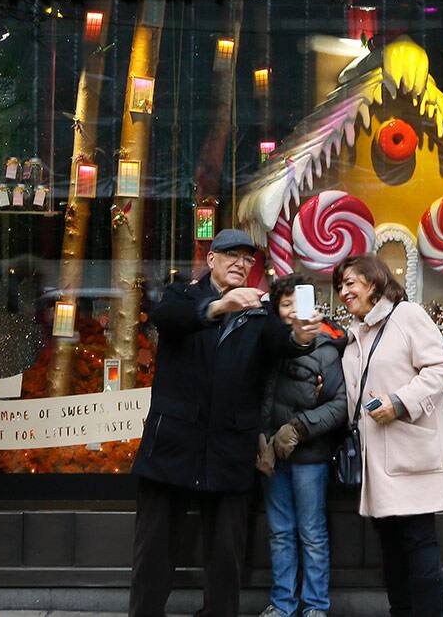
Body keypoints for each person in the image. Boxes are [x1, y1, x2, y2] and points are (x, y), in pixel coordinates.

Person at [129, 229, 323, 617]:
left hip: (230, 447)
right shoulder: (182, 295)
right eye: (231, 254)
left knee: (225, 558)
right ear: (211, 259)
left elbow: (281, 344)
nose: (240, 263)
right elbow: (169, 319)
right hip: (173, 444)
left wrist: (301, 337)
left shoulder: (260, 312)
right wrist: (218, 307)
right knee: (154, 552)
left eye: (247, 258)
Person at [332, 253, 443, 617]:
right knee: (390, 547)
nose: (343, 291)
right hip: (375, 458)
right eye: (340, 286)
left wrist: (399, 401)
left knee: (418, 542)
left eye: (350, 283)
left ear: (374, 282)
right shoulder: (355, 335)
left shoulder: (406, 316)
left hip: (409, 452)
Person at [255, 274, 348, 617]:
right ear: (275, 311)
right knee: (279, 531)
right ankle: (282, 603)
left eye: (299, 303)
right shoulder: (268, 348)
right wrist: (261, 438)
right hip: (272, 456)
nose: (293, 312)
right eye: (285, 304)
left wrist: (298, 428)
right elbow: (259, 396)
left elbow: (340, 405)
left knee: (311, 532)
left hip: (310, 455)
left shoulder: (325, 346)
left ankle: (315, 605)